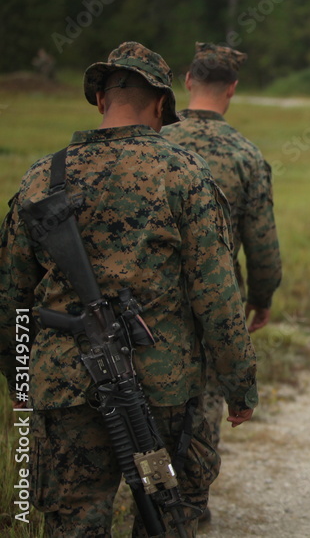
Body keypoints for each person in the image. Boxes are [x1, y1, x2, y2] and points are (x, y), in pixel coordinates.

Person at [0, 41, 258, 535]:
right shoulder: (183, 173)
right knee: (166, 510)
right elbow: (218, 296)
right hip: (161, 393)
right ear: (162, 104)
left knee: (74, 522)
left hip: (64, 392)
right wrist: (239, 384)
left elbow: (10, 299)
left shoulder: (41, 177)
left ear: (99, 99)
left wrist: (21, 383)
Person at [160, 41, 282, 522]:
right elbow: (263, 243)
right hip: (211, 298)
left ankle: (149, 493)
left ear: (187, 81)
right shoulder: (245, 155)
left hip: (141, 298)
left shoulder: (154, 139)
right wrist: (261, 297)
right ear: (232, 89)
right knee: (202, 398)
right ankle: (189, 503)